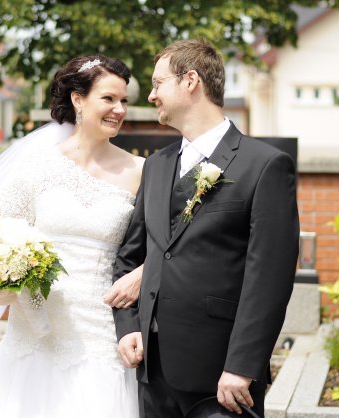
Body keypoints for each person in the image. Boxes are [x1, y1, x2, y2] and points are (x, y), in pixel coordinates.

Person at [113, 39, 300, 418]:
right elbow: (130, 257)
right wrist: (129, 327)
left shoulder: (264, 165)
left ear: (191, 80)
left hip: (223, 378)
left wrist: (243, 366)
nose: (150, 95)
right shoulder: (157, 166)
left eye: (158, 83)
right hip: (153, 375)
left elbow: (270, 277)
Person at [0, 54, 144, 417]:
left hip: (101, 331)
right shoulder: (35, 166)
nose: (119, 110)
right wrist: (3, 282)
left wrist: (143, 272)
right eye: (108, 99)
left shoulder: (140, 170)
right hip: (33, 333)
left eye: (124, 101)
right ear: (78, 99)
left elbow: (156, 247)